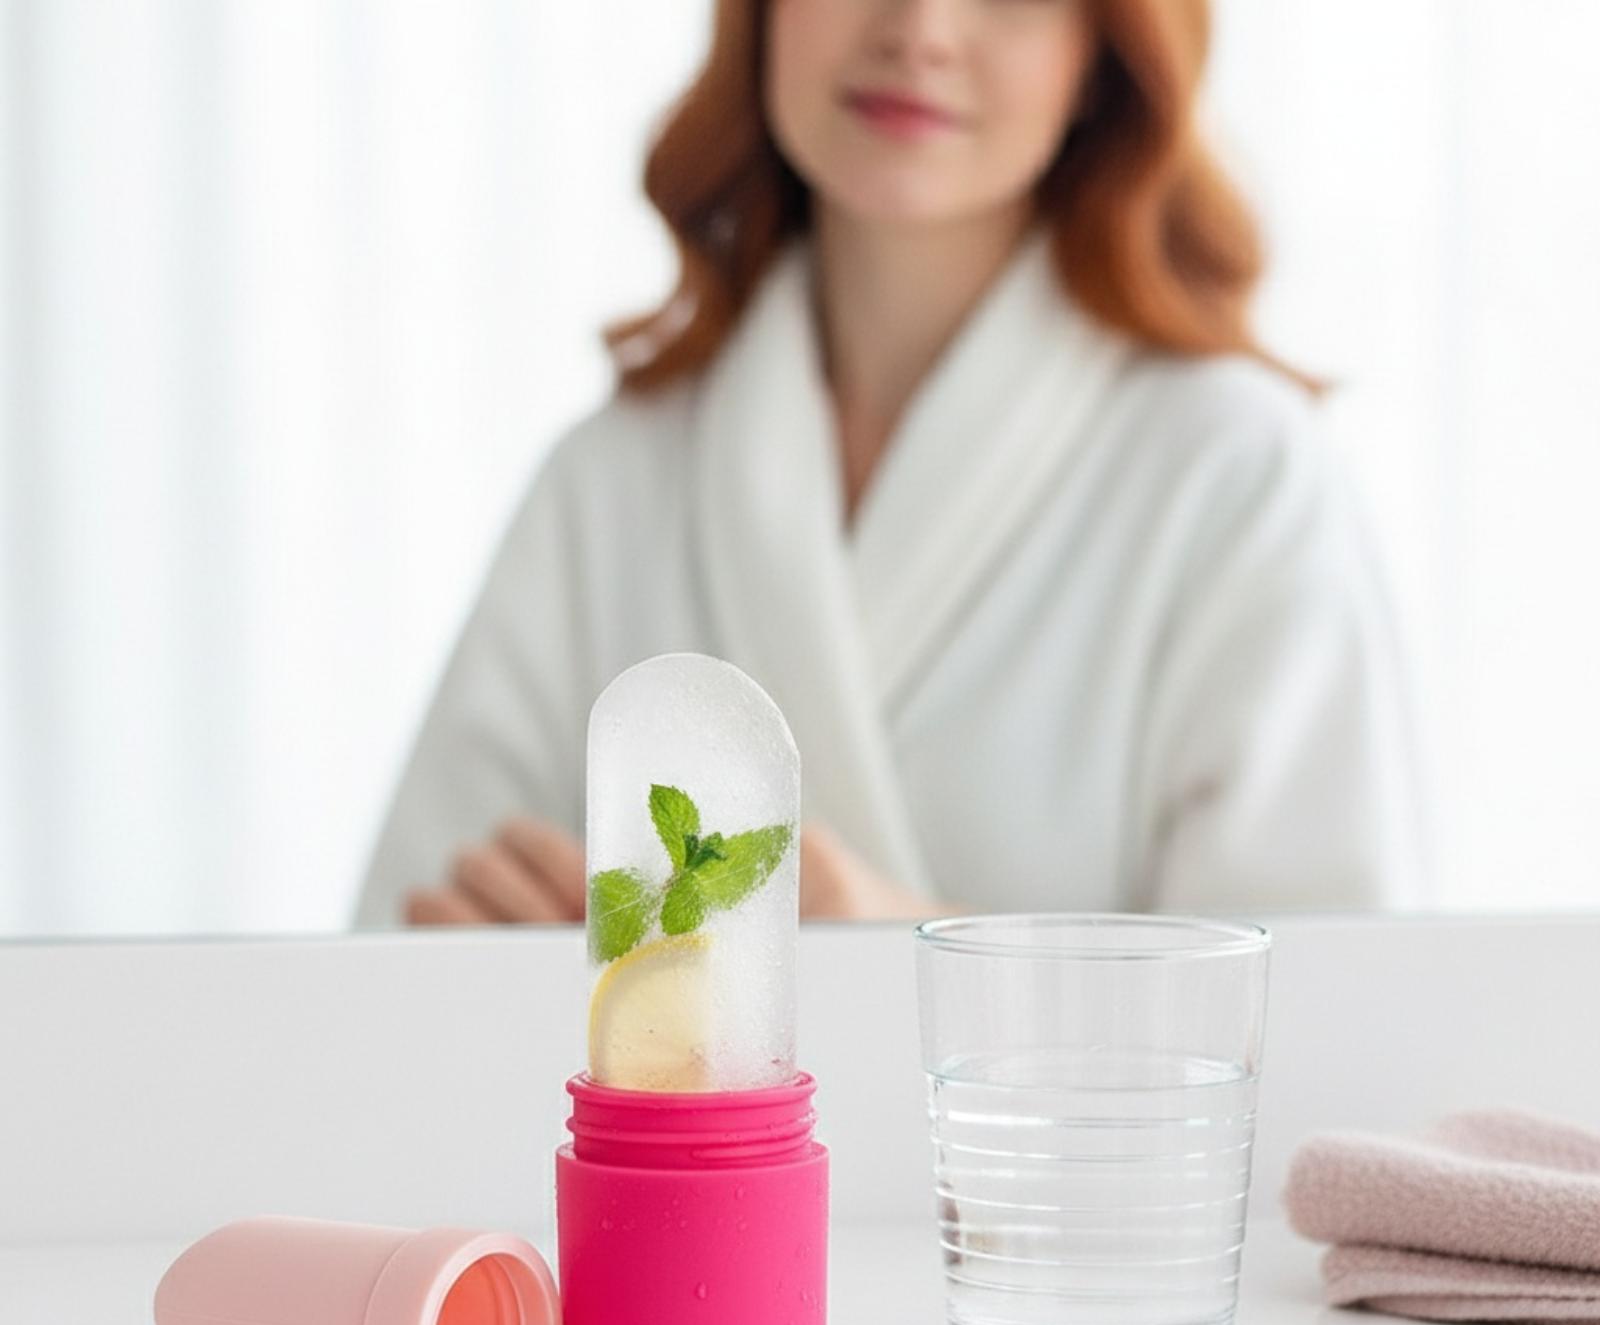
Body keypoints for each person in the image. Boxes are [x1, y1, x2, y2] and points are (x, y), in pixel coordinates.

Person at [354, 0, 1423, 930]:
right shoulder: (607, 483)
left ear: (1101, 56)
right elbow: (398, 972)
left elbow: (1318, 1023)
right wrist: (520, 982)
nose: (919, 30)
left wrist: (898, 958)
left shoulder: (1239, 478)